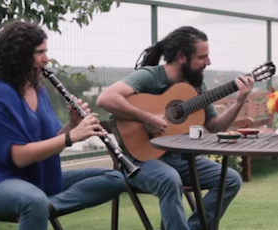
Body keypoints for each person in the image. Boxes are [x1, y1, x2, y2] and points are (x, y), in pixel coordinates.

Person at [96, 26, 254, 230]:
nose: (208, 62)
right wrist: (149, 118)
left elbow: (215, 127)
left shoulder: (195, 85)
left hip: (179, 158)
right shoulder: (150, 76)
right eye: (202, 57)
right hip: (139, 161)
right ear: (181, 57)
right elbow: (106, 98)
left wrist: (239, 101)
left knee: (230, 179)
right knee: (169, 179)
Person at [0, 20, 125, 230]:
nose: (46, 59)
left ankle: (49, 206)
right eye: (39, 52)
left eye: (46, 51)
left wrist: (72, 124)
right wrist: (71, 137)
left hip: (39, 177)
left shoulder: (38, 90)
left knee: (115, 177)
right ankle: (40, 205)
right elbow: (19, 157)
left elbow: (50, 140)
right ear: (18, 56)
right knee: (33, 201)